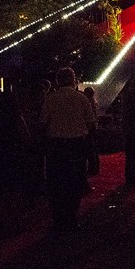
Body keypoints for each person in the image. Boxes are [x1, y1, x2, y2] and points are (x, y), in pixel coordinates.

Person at [40, 67, 96, 232]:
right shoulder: (82, 99)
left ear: (58, 81)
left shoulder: (50, 98)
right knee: (75, 181)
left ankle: (58, 218)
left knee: (56, 182)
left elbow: (43, 124)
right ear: (73, 80)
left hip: (56, 145)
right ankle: (71, 217)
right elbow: (91, 124)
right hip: (77, 145)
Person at [0, 91, 31, 229]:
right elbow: (26, 137)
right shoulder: (16, 117)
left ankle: (1, 218)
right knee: (15, 188)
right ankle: (14, 219)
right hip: (14, 154)